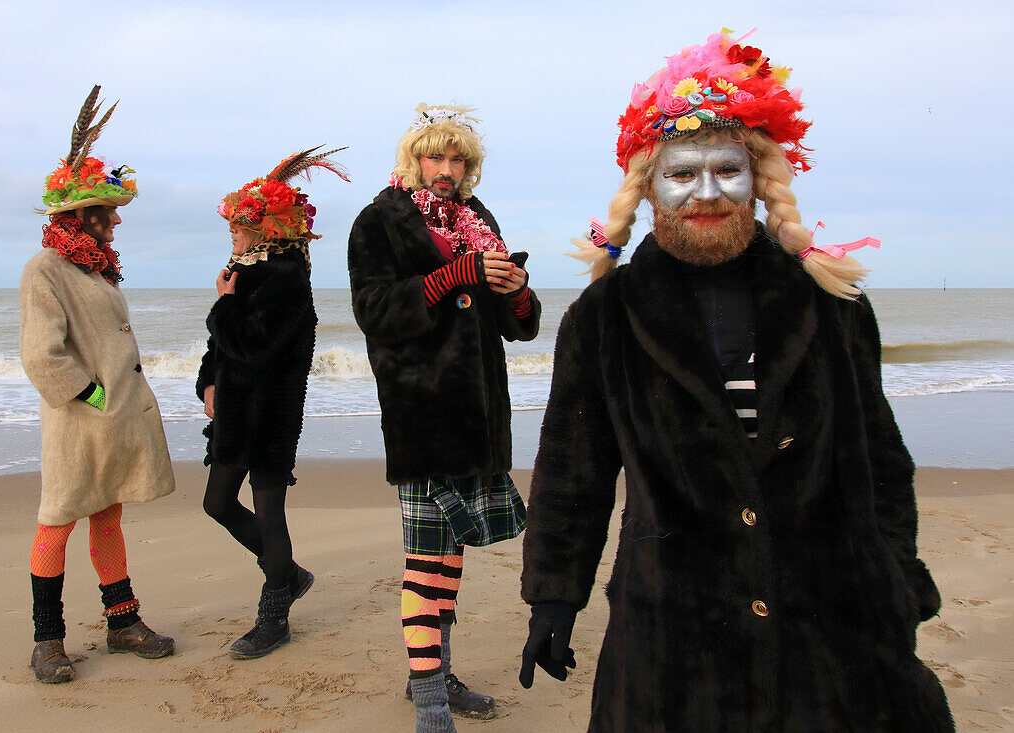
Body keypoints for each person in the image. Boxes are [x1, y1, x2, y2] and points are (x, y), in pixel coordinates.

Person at [518, 31, 954, 731]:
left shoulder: (830, 305)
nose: (707, 192)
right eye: (683, 173)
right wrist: (553, 597)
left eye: (727, 170)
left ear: (759, 180)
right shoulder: (606, 316)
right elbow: (575, 469)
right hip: (673, 638)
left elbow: (880, 460)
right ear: (649, 188)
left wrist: (897, 580)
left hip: (831, 629)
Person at [348, 104, 541, 732]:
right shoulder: (378, 219)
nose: (449, 170)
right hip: (421, 409)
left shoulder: (475, 218)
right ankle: (430, 702)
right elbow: (374, 311)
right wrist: (452, 274)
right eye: (438, 157)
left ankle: (432, 674)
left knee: (450, 552)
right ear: (414, 160)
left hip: (480, 410)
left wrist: (516, 294)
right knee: (425, 559)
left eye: (460, 161)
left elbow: (516, 327)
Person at [20, 85, 176, 684]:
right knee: (55, 522)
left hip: (110, 423)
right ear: (78, 215)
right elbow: (41, 353)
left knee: (108, 519)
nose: (115, 220)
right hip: (78, 423)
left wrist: (113, 401)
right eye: (106, 211)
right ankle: (47, 640)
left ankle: (123, 623)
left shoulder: (94, 266)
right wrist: (92, 395)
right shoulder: (45, 270)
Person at [196, 147, 348, 658]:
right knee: (216, 504)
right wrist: (207, 384)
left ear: (266, 228)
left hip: (270, 418)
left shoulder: (286, 281)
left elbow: (254, 349)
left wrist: (224, 304)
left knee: (269, 516)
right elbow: (219, 349)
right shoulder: (240, 271)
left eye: (241, 225)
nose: (232, 232)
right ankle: (289, 575)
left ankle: (274, 615)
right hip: (235, 414)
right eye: (233, 224)